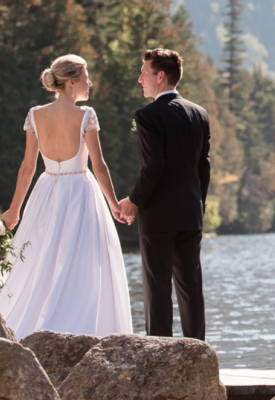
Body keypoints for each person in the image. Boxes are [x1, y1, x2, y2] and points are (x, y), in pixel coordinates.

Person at [0, 54, 133, 340]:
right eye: (85, 77)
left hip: (45, 192)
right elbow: (99, 165)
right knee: (84, 262)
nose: (89, 82)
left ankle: (31, 328)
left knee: (41, 259)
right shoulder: (86, 115)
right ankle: (83, 329)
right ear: (71, 82)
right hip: (80, 191)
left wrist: (14, 209)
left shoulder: (35, 115)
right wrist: (114, 203)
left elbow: (28, 167)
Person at [118, 48, 211, 339]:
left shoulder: (148, 116)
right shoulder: (199, 113)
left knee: (157, 289)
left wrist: (133, 201)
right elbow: (203, 168)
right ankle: (198, 353)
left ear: (160, 76)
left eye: (144, 73)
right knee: (191, 287)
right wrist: (199, 205)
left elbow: (153, 168)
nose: (139, 79)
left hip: (159, 215)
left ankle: (159, 356)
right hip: (191, 213)